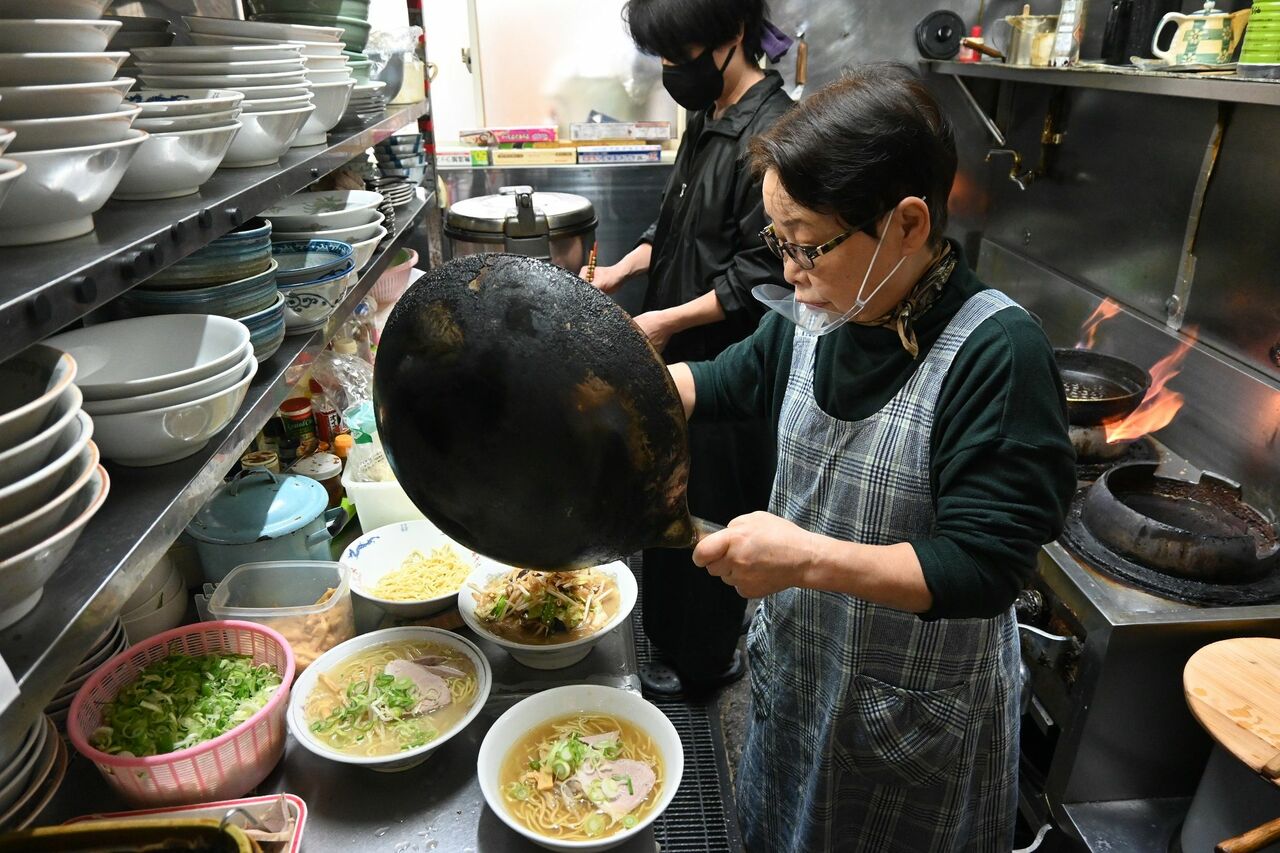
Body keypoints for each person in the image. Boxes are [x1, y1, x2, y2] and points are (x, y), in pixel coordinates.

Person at [667, 66, 1077, 851]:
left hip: (914, 721)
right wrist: (622, 387)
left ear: (909, 223)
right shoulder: (828, 305)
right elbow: (728, 378)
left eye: (809, 247)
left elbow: (985, 566)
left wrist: (805, 560)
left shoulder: (996, 352)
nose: (789, 273)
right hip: (800, 678)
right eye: (778, 243)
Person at [582, 0, 792, 697]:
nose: (674, 72)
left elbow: (758, 274)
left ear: (734, 37)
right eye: (663, 60)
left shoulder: (774, 133)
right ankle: (671, 636)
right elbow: (674, 218)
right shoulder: (708, 119)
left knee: (708, 512)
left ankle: (707, 661)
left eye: (682, 57)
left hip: (724, 366)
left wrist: (667, 322)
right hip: (675, 352)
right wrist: (623, 268)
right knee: (667, 494)